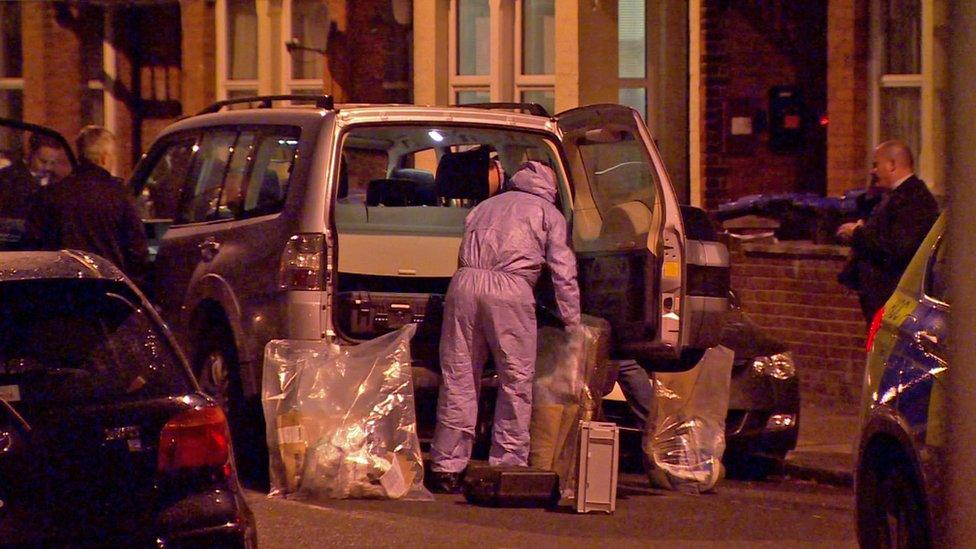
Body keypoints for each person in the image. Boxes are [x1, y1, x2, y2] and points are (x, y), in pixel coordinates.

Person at [428, 160, 581, 493]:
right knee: (515, 380)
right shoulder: (547, 214)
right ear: (550, 187)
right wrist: (572, 321)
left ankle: (446, 466)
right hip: (511, 290)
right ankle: (507, 463)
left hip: (464, 284)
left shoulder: (485, 207)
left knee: (459, 376)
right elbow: (563, 272)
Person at [25, 125, 150, 285]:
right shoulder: (120, 195)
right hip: (108, 289)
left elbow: (34, 246)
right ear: (105, 158)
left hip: (62, 289)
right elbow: (137, 250)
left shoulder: (50, 195)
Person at [836, 140, 939, 323]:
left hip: (895, 302)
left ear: (892, 165)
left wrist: (858, 234)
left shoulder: (914, 199)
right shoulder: (896, 197)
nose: (872, 171)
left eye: (876, 165)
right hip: (883, 300)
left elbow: (897, 248)